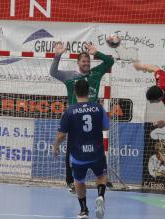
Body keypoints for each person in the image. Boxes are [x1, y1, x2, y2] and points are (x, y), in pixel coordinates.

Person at [50, 42, 114, 193]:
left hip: (93, 118)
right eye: (83, 61)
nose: (86, 63)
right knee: (72, 151)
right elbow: (53, 72)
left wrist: (96, 52)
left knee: (98, 148)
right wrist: (57, 56)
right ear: (78, 63)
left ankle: (103, 179)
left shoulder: (96, 73)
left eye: (88, 61)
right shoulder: (70, 76)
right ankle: (71, 182)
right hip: (75, 120)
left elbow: (110, 62)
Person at [53, 79, 109, 219]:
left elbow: (61, 136)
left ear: (74, 92)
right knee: (101, 176)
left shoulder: (69, 111)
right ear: (88, 91)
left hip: (78, 155)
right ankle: (100, 196)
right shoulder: (98, 108)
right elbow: (106, 127)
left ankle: (84, 210)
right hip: (97, 153)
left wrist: (56, 146)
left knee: (79, 181)